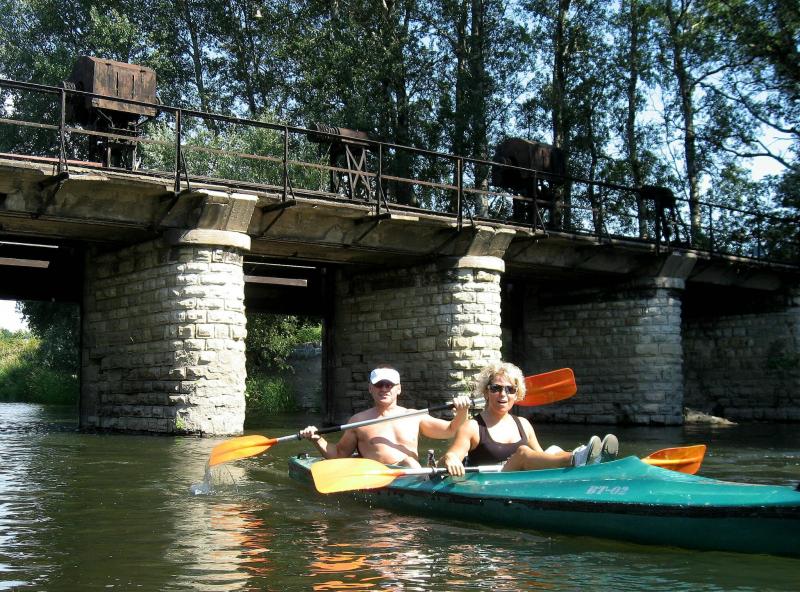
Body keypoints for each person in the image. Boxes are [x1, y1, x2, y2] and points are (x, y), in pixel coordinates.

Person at [441, 362, 618, 476]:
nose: (503, 394)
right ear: (487, 392)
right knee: (523, 453)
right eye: (496, 388)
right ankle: (577, 460)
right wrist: (450, 458)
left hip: (521, 483)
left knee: (553, 450)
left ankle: (586, 459)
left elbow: (541, 458)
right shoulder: (472, 426)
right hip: (490, 484)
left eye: (510, 389)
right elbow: (453, 454)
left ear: (516, 394)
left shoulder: (523, 424)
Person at [300, 365, 472, 468]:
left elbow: (450, 430)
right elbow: (339, 454)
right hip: (379, 477)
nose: (384, 389)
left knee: (409, 462)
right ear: (370, 388)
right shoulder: (358, 421)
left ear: (399, 389)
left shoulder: (414, 416)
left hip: (413, 475)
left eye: (389, 385)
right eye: (379, 384)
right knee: (409, 463)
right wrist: (317, 439)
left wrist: (462, 411)